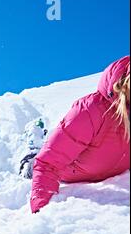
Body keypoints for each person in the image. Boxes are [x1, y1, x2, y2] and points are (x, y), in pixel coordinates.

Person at [29, 55, 130, 214]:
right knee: (32, 164)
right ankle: (34, 143)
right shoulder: (92, 110)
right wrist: (42, 211)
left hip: (103, 169)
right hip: (67, 172)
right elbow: (48, 163)